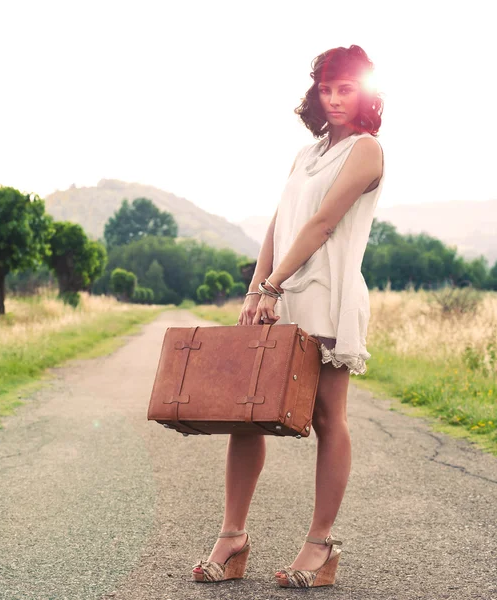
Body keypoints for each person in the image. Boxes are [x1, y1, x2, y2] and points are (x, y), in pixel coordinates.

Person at [191, 45, 385, 588]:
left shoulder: (368, 151)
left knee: (327, 416)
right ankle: (232, 540)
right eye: (326, 88)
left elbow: (323, 223)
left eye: (345, 88)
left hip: (327, 295)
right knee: (246, 412)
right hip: (279, 294)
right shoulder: (307, 154)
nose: (334, 98)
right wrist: (257, 290)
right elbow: (280, 225)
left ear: (366, 92)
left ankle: (320, 547)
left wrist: (275, 284)